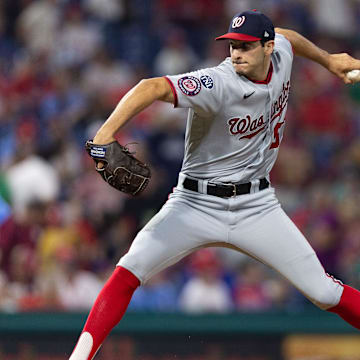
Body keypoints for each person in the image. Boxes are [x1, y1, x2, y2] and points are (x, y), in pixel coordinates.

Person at [69, 10, 360, 360]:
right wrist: (105, 134)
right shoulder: (218, 82)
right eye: (232, 45)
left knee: (324, 293)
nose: (235, 53)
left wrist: (328, 60)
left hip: (257, 205)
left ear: (267, 48)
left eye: (246, 46)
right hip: (194, 204)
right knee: (128, 271)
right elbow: (151, 86)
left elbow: (287, 36)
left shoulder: (279, 52)